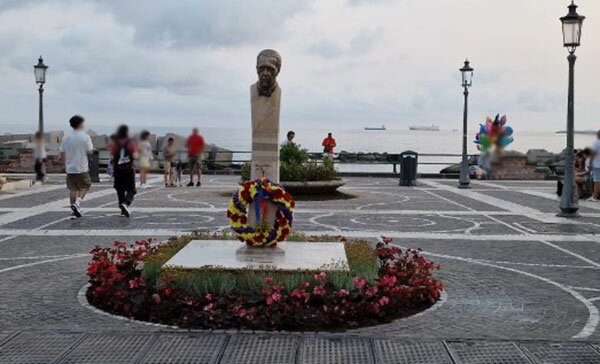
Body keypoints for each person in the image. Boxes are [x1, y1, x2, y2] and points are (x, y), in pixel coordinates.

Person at [59, 115, 93, 218]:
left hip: (70, 167)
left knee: (73, 189)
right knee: (85, 186)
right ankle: (77, 204)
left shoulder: (66, 137)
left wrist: (64, 163)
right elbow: (89, 151)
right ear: (80, 124)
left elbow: (62, 152)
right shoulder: (85, 136)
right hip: (81, 166)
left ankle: (73, 210)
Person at [110, 125, 138, 217]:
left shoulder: (115, 143)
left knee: (119, 189)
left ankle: (122, 208)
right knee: (131, 190)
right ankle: (126, 203)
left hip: (118, 170)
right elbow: (135, 156)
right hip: (129, 169)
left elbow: (112, 157)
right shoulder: (130, 142)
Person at [591, 130, 600, 200]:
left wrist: (590, 163)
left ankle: (595, 196)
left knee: (597, 180)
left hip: (597, 164)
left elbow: (592, 154)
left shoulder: (596, 143)